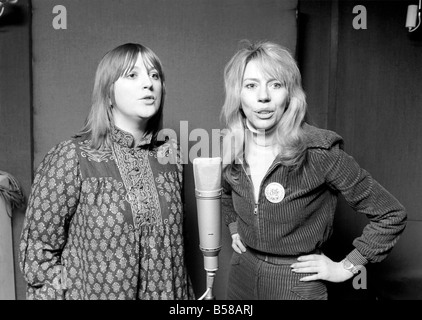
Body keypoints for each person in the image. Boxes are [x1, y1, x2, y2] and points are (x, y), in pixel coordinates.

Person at [220, 40, 407, 300]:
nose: (263, 96)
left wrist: (346, 266)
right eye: (251, 85)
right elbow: (227, 193)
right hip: (242, 270)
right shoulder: (234, 145)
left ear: (290, 95)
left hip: (296, 280)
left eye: (275, 84)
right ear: (237, 96)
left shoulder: (320, 152)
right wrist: (233, 227)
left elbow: (391, 214)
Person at [19, 43, 195, 300]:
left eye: (154, 75)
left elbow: (175, 255)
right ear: (108, 92)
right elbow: (37, 249)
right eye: (133, 75)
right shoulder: (71, 157)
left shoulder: (171, 158)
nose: (148, 83)